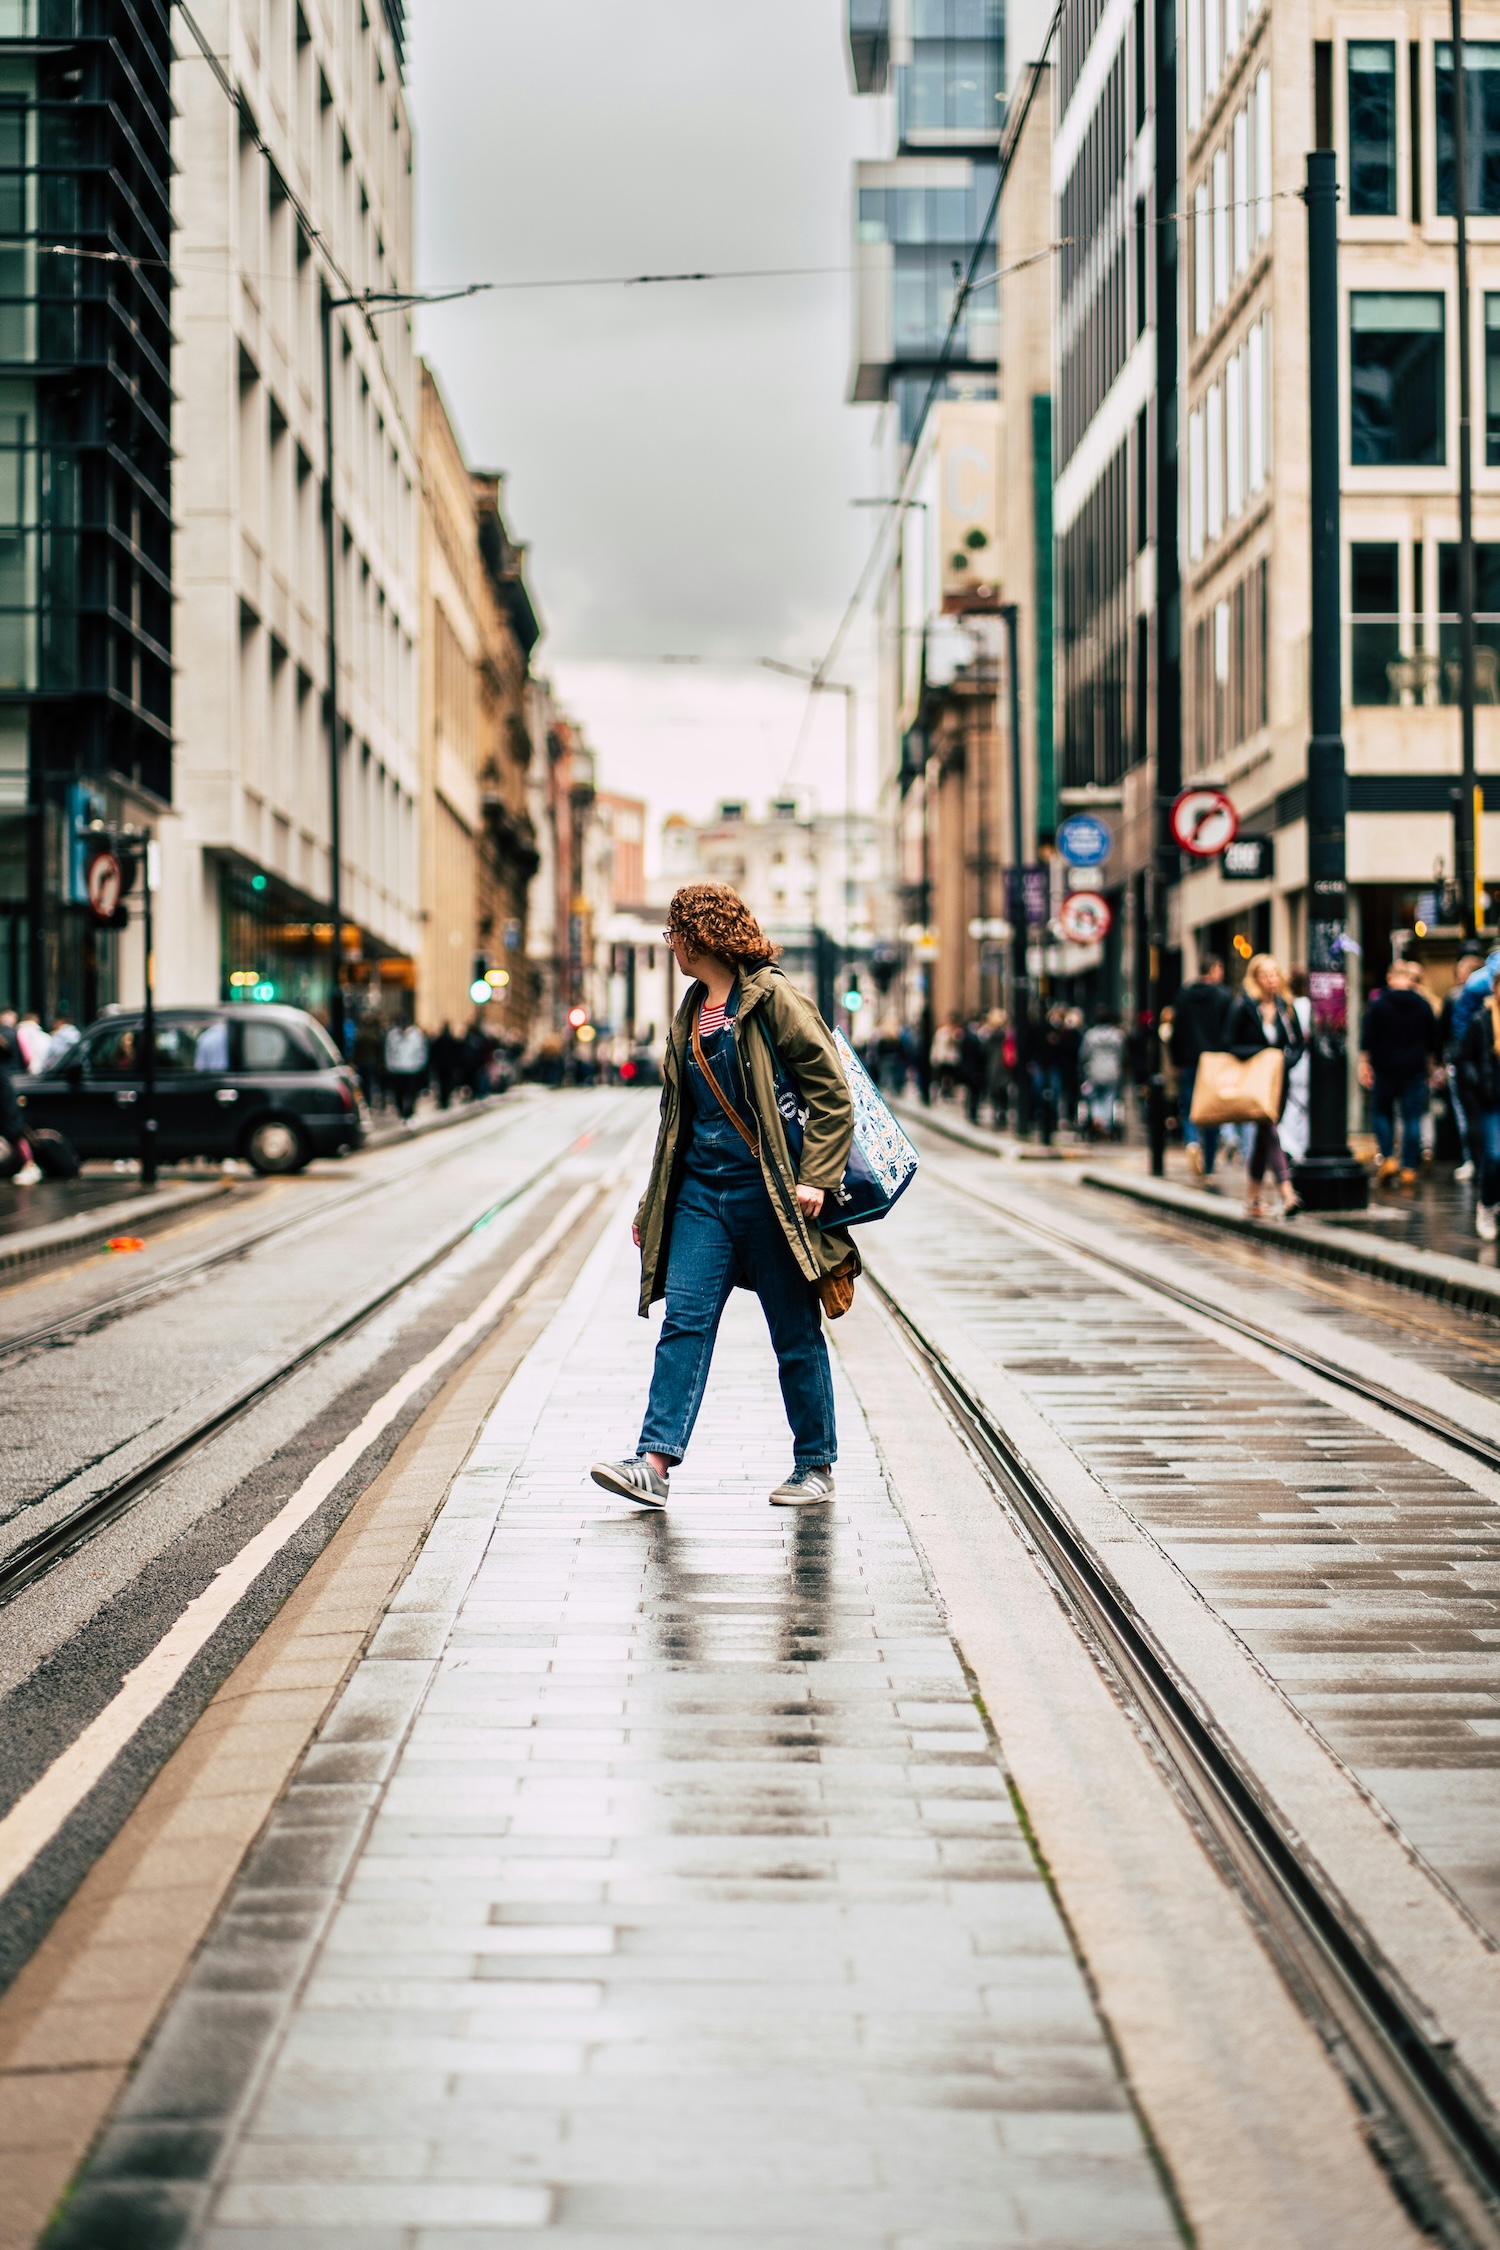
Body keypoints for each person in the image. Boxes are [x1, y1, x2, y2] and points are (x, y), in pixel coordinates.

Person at [591, 882, 857, 1512]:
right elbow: (674, 1120)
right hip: (700, 1198)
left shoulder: (774, 999)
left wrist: (816, 1176)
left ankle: (814, 1464)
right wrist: (651, 1205)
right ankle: (653, 1464)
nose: (671, 945)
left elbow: (833, 1093)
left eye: (673, 933)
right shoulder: (689, 1011)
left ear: (698, 935)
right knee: (684, 1321)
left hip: (770, 1196)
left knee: (793, 1332)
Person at [1226, 953, 1306, 1218]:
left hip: (1278, 1082)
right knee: (1270, 1131)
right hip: (1254, 1082)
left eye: (1275, 973)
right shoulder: (1244, 1007)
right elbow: (1228, 1044)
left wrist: (1284, 1061)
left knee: (1264, 1138)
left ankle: (1252, 1199)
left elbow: (1297, 1043)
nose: (1272, 979)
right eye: (1266, 974)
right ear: (1256, 979)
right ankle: (1287, 1192)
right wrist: (1261, 1054)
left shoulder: (1285, 1007)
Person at [1359, 958, 1440, 1188]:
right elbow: (1434, 1040)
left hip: (1385, 1068)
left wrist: (1364, 1062)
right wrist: (1432, 1063)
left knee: (1382, 1112)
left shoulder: (1379, 1004)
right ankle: (1408, 1167)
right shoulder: (1422, 1004)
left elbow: (1367, 1037)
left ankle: (1388, 1156)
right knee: (1412, 1117)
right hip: (1414, 1068)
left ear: (1390, 978)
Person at [1171, 955, 1232, 1177]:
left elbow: (1176, 1031)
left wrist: (1176, 1060)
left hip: (1189, 1060)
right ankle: (1208, 1163)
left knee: (1189, 1107)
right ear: (1214, 970)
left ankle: (1192, 1142)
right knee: (1212, 1110)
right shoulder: (1224, 996)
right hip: (1215, 1061)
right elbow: (1229, 1031)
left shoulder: (1184, 996)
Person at [1458, 979, 1500, 1240]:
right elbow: (1465, 1059)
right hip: (1492, 1100)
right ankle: (1486, 1205)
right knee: (1495, 1156)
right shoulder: (1480, 1020)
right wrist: (1478, 1086)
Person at [1441, 952, 1483, 1181]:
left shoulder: (1455, 996)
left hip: (1463, 1063)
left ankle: (1472, 1160)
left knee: (1466, 1115)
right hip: (1480, 1065)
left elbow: (1444, 1031)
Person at [1278, 970, 1314, 1166]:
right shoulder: (1307, 1006)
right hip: (1304, 1061)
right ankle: (1297, 1146)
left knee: (1292, 1104)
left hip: (1293, 1062)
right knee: (1304, 1106)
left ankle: (1289, 1144)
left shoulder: (1290, 1007)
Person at [1078, 1011, 1126, 1138]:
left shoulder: (1090, 1035)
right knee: (1110, 1097)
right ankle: (1106, 1123)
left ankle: (1097, 1118)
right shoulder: (1117, 1035)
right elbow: (1122, 1053)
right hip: (1112, 1071)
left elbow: (1083, 1054)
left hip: (1094, 1070)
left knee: (1094, 1097)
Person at [383, 1019, 429, 1121]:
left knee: (411, 1091)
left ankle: (409, 1111)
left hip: (412, 1069)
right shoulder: (393, 1036)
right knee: (399, 1092)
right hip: (397, 1069)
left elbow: (421, 1051)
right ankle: (402, 1110)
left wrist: (419, 1064)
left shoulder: (416, 1035)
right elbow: (388, 1051)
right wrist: (390, 1065)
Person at [429, 1022, 464, 1109]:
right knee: (447, 1082)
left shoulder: (439, 1040)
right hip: (448, 1066)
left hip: (441, 1066)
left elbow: (433, 1052)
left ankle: (443, 1099)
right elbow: (458, 1053)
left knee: (441, 1083)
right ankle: (446, 1099)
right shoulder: (451, 1040)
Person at [930, 1013, 962, 1102]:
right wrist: (934, 1056)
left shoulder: (956, 1033)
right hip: (943, 1058)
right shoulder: (941, 1032)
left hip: (952, 1059)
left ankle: (948, 1091)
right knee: (943, 1076)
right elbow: (936, 1045)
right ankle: (944, 1091)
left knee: (950, 1076)